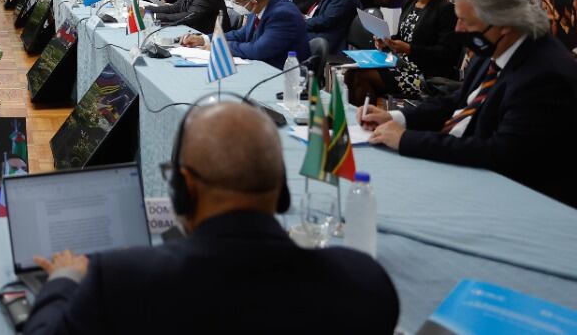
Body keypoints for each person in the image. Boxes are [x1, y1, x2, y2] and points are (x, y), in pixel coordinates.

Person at [26, 101, 398, 335]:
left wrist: (63, 279)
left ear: (184, 189)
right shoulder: (365, 283)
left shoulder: (119, 279)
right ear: (283, 191)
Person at [359, 0, 577, 207]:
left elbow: (500, 154)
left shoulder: (544, 77)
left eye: (467, 21)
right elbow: (458, 101)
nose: (458, 29)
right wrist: (396, 117)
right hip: (465, 169)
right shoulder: (494, 48)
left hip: (512, 196)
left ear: (504, 24)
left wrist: (406, 140)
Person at [348, 0, 458, 102]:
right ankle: (365, 113)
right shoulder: (409, 4)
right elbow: (402, 37)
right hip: (400, 64)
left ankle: (369, 114)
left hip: (425, 75)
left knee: (362, 76)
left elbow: (447, 53)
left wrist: (409, 49)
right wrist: (387, 42)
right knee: (351, 72)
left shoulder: (445, 9)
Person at [182, 0, 309, 66]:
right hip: (260, 67)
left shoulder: (283, 15)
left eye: (238, 2)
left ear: (253, 2)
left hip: (282, 77)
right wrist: (204, 39)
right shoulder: (260, 5)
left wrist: (222, 47)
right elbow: (241, 34)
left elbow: (258, 50)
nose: (236, 5)